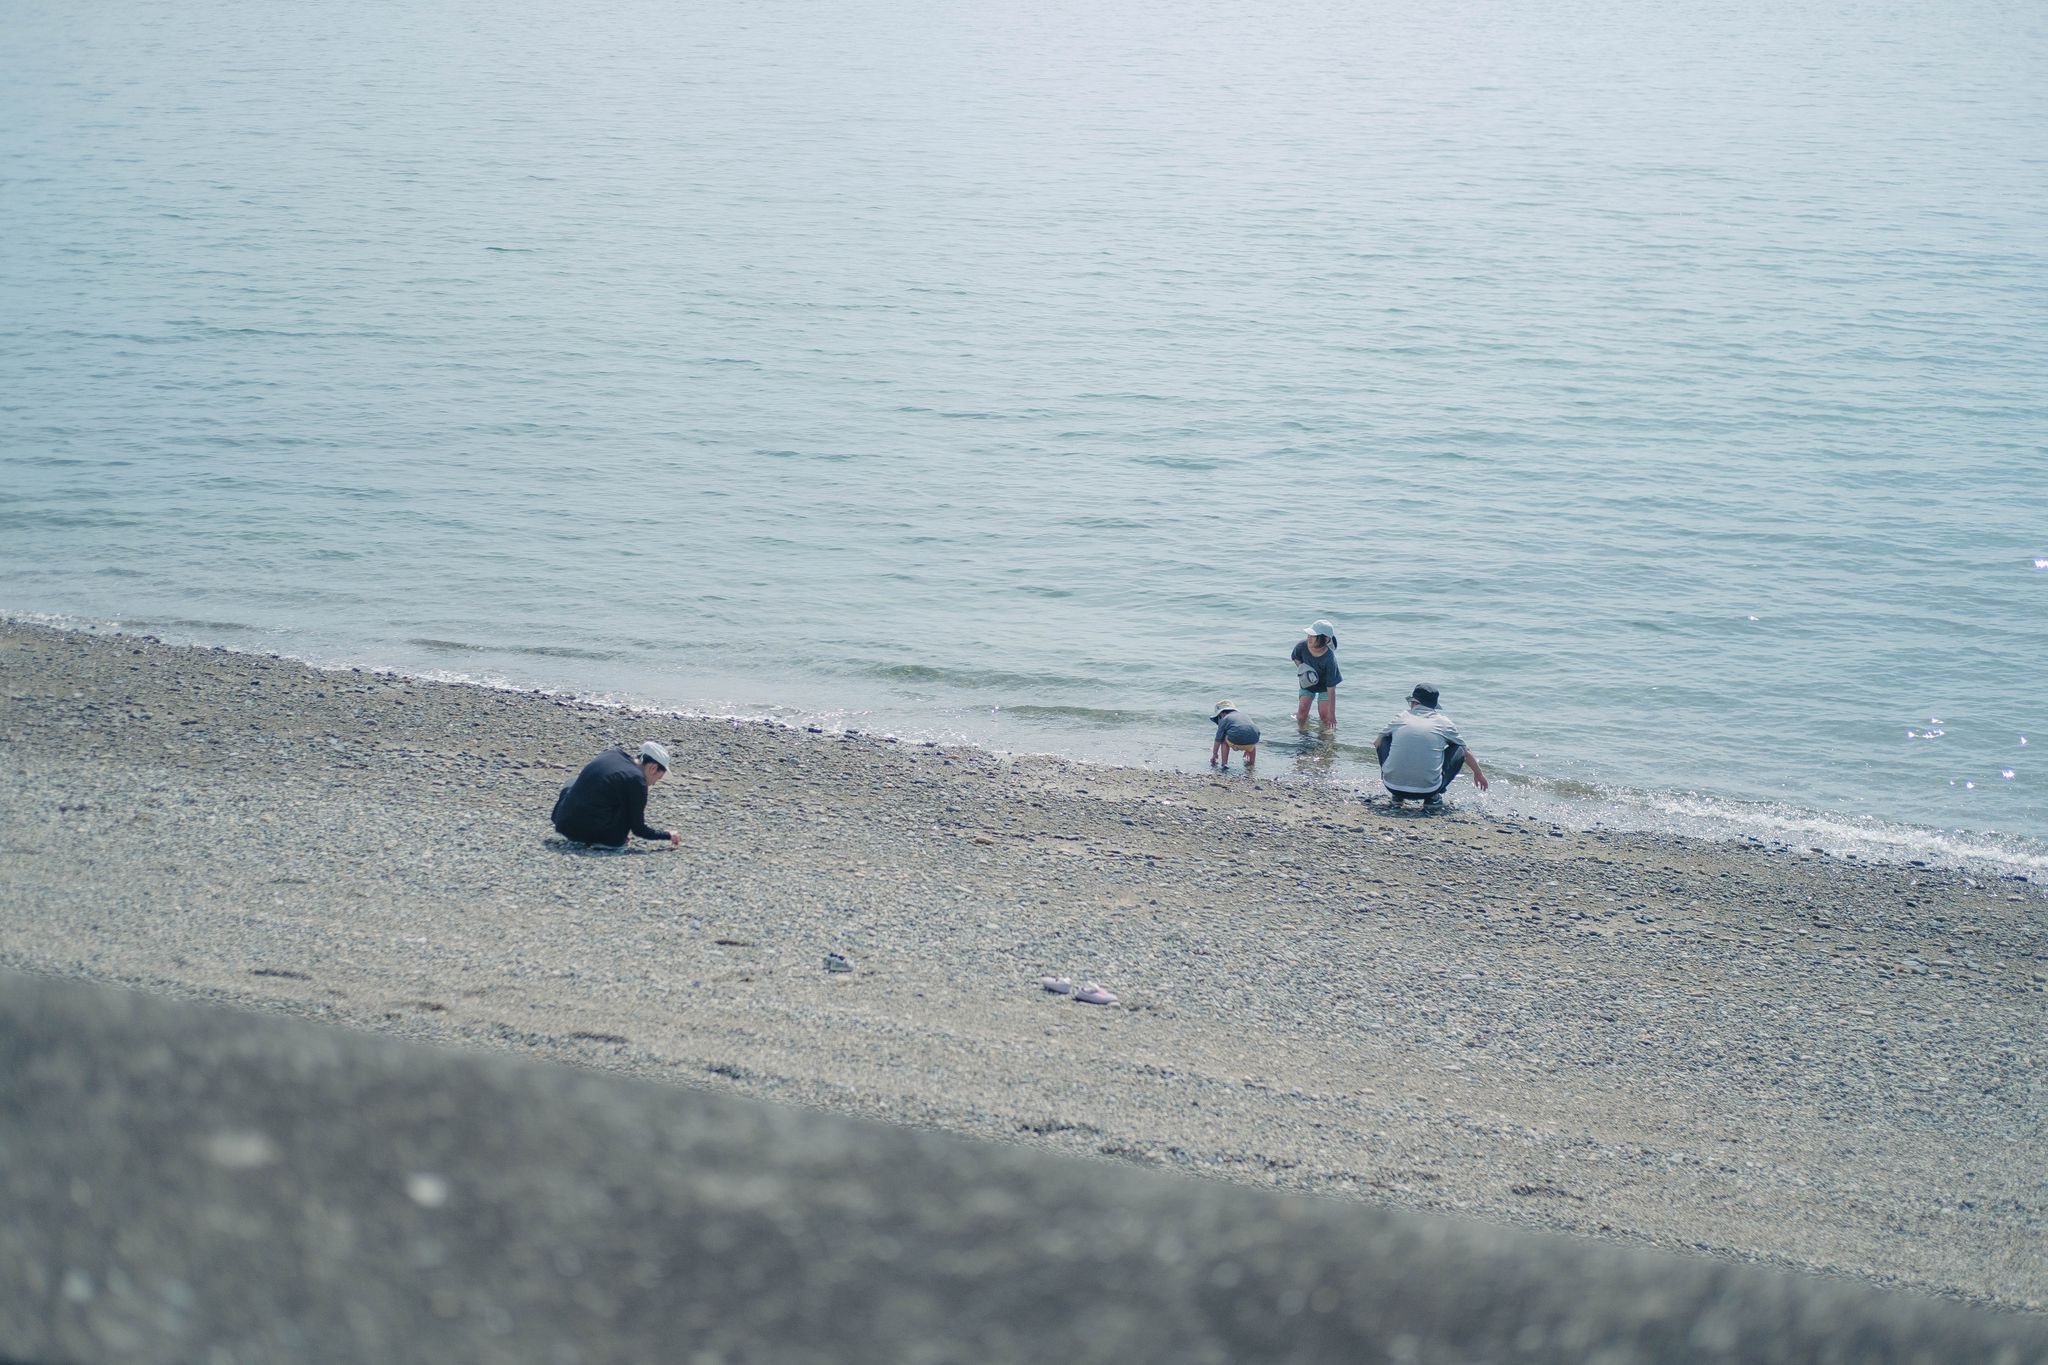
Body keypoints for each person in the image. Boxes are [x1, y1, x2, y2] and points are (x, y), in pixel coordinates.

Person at [1375, 684, 1489, 811]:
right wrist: (1478, 773)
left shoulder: (1401, 717)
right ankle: (1433, 798)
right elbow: (1466, 753)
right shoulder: (1443, 722)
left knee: (1385, 738)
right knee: (1459, 748)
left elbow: (1377, 743)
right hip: (1428, 790)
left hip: (1392, 785)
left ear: (1413, 702)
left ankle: (1397, 795)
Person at [551, 741, 682, 848]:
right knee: (627, 809)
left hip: (561, 821)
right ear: (653, 768)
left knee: (574, 782)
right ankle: (601, 841)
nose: (653, 783)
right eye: (657, 779)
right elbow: (639, 829)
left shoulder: (613, 754)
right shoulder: (637, 780)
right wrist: (668, 835)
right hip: (584, 833)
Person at [1291, 619, 1342, 731]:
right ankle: (1302, 733)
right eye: (1309, 635)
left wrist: (1332, 714)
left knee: (1324, 715)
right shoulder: (1301, 646)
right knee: (1302, 712)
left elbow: (1331, 689)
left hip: (1325, 687)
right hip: (1308, 682)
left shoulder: (1329, 659)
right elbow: (1295, 657)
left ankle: (1325, 738)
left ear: (1326, 639)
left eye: (1313, 636)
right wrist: (1303, 669)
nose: (1309, 638)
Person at [1209, 699, 1261, 771]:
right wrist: (1248, 749)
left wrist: (1214, 754)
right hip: (1253, 740)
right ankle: (1251, 764)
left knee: (1223, 740)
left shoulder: (1225, 719)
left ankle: (1224, 764)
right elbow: (1249, 731)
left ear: (1221, 714)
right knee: (1252, 738)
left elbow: (1217, 739)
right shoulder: (1244, 715)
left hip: (1237, 741)